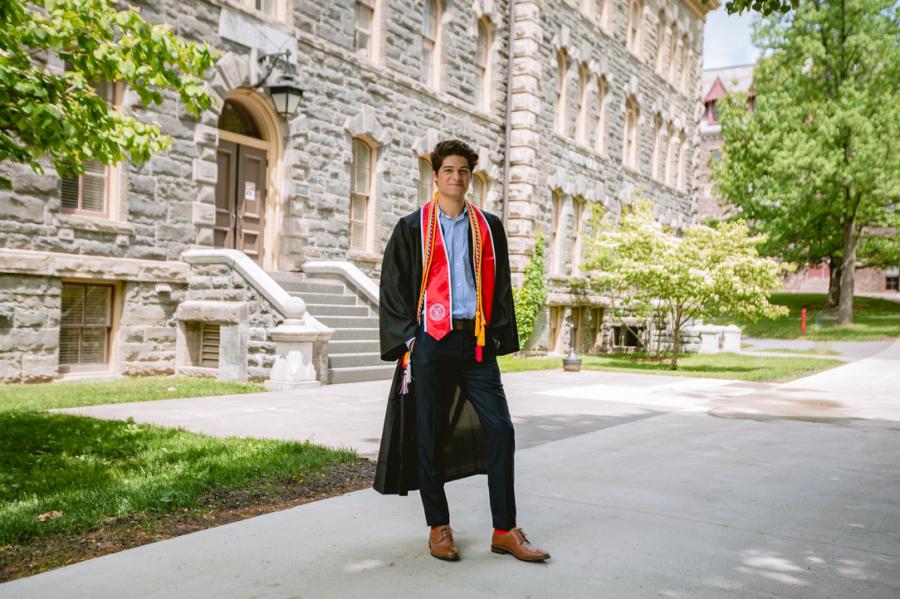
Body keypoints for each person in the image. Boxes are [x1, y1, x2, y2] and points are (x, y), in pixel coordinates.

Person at [374, 139, 550, 562]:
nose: (456, 177)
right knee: (429, 434)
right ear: (435, 176)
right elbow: (393, 287)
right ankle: (439, 527)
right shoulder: (413, 227)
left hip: (474, 342)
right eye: (448, 170)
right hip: (432, 341)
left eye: (464, 171)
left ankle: (504, 529)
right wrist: (412, 339)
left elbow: (500, 283)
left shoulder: (487, 227)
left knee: (501, 428)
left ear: (471, 178)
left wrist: (496, 336)